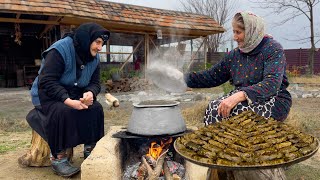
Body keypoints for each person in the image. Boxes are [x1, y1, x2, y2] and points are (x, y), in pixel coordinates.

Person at [26, 22, 110, 177]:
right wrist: (67, 100)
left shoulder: (94, 58)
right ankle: (58, 157)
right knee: (63, 111)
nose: (100, 48)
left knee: (95, 108)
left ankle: (91, 150)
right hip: (47, 94)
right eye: (97, 42)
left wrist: (90, 92)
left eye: (102, 44)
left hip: (74, 92)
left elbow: (95, 83)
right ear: (86, 39)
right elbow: (47, 81)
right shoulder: (60, 50)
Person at [185, 11, 292, 125]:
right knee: (215, 108)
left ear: (251, 32)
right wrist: (181, 79)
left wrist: (239, 96)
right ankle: (218, 142)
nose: (235, 37)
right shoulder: (235, 54)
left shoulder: (272, 49)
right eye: (233, 32)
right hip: (241, 97)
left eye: (238, 32)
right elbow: (211, 76)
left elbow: (272, 83)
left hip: (272, 97)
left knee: (240, 112)